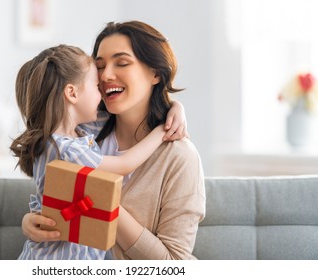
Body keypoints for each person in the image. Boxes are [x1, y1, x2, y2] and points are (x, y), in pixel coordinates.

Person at [20, 21, 206, 260]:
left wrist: (101, 202)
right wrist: (29, 222)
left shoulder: (179, 157)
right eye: (99, 66)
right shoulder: (84, 131)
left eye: (122, 62)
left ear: (156, 73)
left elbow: (175, 264)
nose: (106, 75)